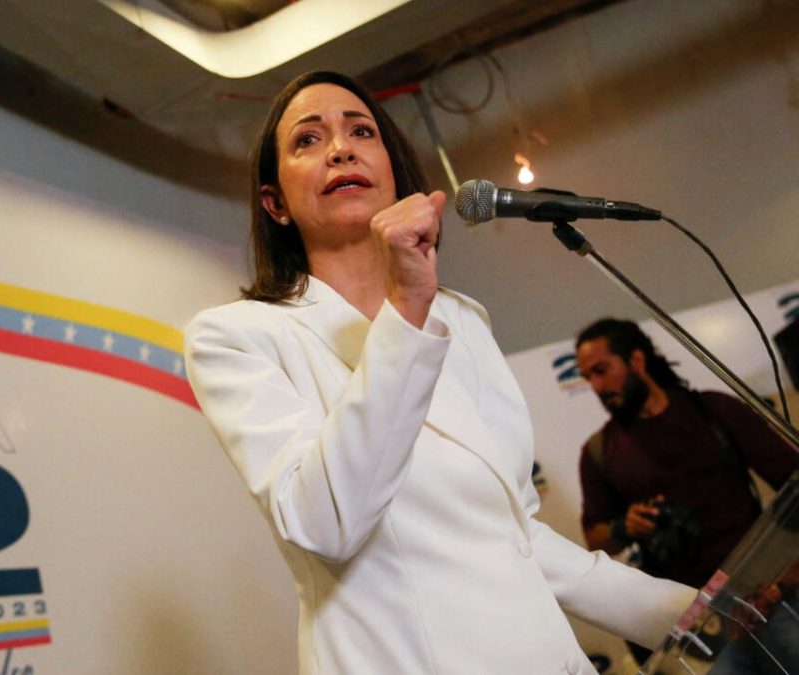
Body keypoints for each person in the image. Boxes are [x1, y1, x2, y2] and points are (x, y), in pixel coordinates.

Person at [184, 70, 697, 675]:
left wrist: (690, 614)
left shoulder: (459, 318)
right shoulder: (237, 336)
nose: (341, 148)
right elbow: (325, 521)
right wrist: (405, 309)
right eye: (308, 140)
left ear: (393, 170)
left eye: (360, 131)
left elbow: (516, 534)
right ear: (275, 204)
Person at [574, 318, 799, 664]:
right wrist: (624, 527)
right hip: (699, 626)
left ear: (636, 361)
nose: (596, 386)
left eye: (602, 370)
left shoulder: (713, 410)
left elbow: (793, 491)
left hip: (769, 595)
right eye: (588, 377)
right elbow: (595, 538)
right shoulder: (599, 453)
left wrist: (784, 580)